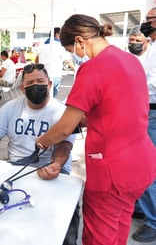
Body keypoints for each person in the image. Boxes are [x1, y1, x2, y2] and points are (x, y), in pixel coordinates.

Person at [35, 14, 156, 245]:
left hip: (113, 171)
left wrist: (41, 142)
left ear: (80, 41)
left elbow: (64, 129)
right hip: (142, 162)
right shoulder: (131, 60)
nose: (74, 54)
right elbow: (122, 108)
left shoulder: (93, 68)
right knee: (120, 224)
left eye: (72, 49)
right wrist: (92, 119)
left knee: (99, 234)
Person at [0, 63, 78, 245]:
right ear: (22, 88)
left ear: (50, 84)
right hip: (17, 167)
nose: (35, 85)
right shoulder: (10, 108)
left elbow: (65, 146)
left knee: (66, 221)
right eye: (30, 83)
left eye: (40, 81)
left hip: (53, 170)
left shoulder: (61, 112)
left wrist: (56, 165)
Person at [131, 7, 156, 243]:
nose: (145, 24)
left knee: (149, 168)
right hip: (146, 112)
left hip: (153, 113)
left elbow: (151, 85)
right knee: (141, 163)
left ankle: (153, 221)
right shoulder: (151, 47)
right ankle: (142, 207)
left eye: (149, 20)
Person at [35, 27, 72, 98]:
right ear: (57, 34)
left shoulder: (42, 44)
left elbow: (37, 59)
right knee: (52, 97)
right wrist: (75, 70)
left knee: (43, 96)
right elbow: (67, 60)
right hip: (55, 74)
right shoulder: (60, 45)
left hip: (43, 74)